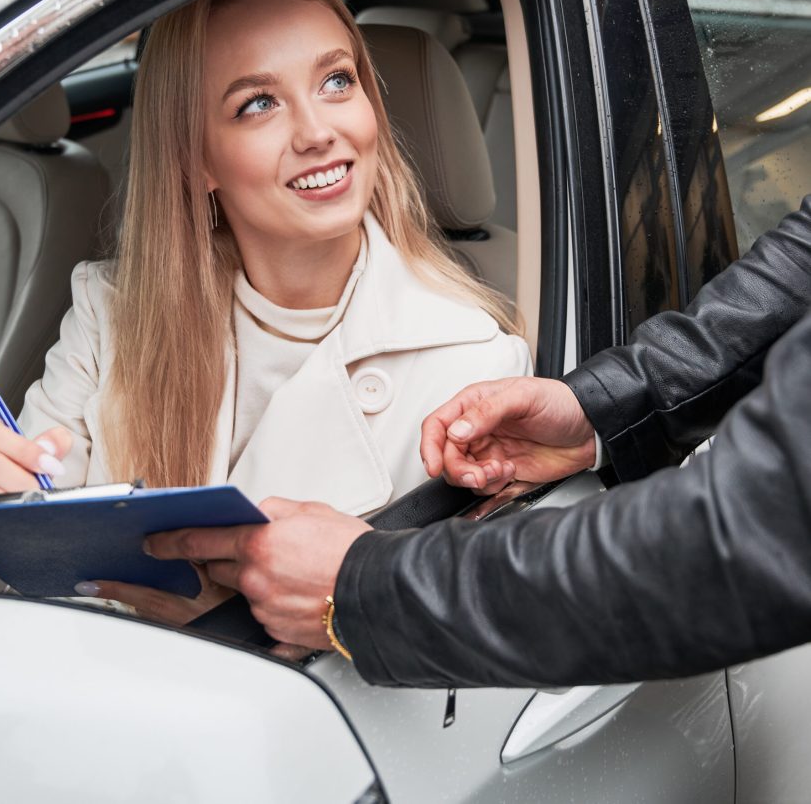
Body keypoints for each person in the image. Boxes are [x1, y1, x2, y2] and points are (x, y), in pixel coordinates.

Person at [0, 0, 531, 628]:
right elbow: (22, 583)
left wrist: (220, 627)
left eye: (337, 80)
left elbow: (442, 675)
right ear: (196, 159)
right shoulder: (108, 313)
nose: (318, 131)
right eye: (258, 103)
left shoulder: (475, 369)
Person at [138, 196, 811, 687]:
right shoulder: (122, 311)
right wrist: (611, 403)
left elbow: (746, 537)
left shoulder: (467, 347)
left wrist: (368, 589)